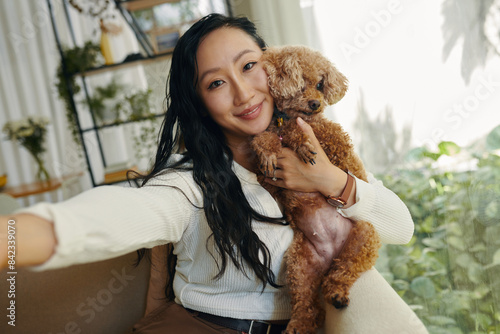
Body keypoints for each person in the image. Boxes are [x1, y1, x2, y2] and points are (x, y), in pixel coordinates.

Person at [0, 13, 426, 334]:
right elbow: (120, 214)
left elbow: (400, 227)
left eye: (247, 66)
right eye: (215, 84)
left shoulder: (317, 149)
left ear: (274, 65)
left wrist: (328, 181)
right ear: (200, 102)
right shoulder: (188, 182)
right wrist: (18, 236)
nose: (243, 94)